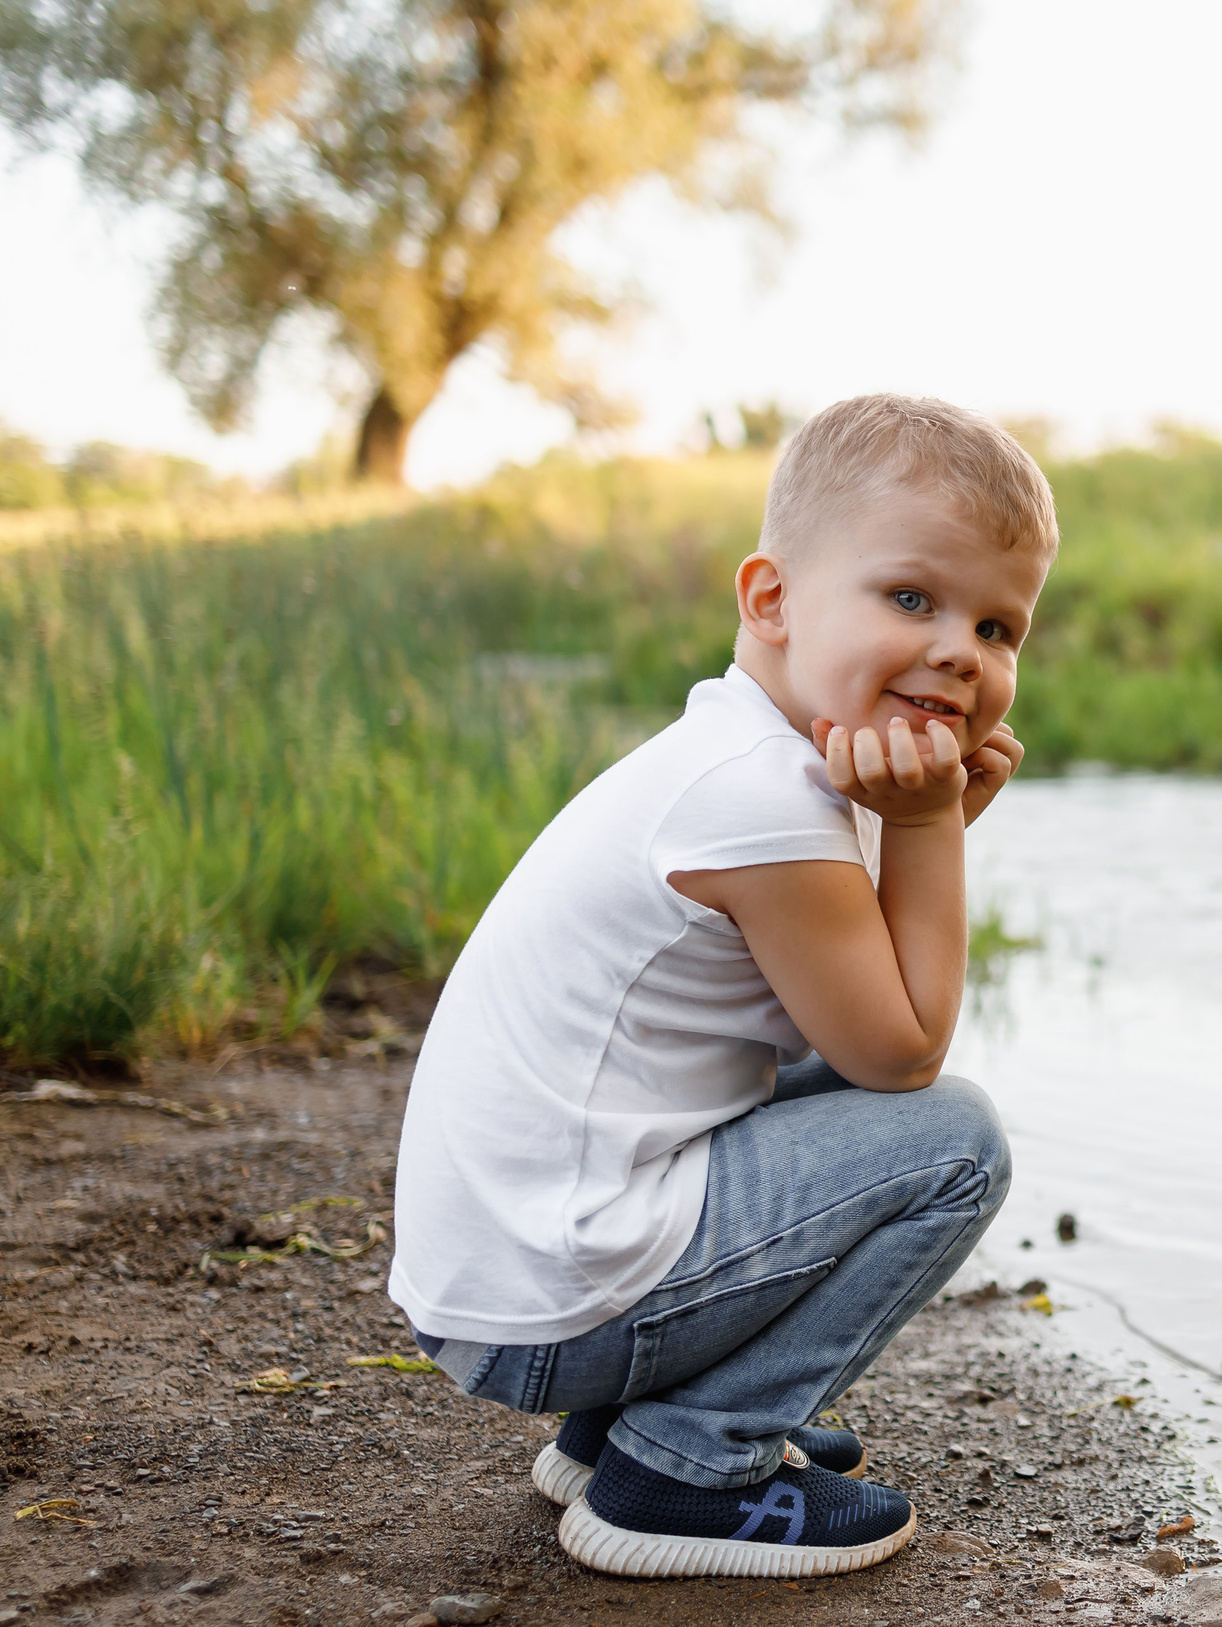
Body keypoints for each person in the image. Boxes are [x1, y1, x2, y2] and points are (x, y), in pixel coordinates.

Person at [386, 394, 1053, 1579]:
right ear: (771, 599)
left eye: (999, 627)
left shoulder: (740, 754)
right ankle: (687, 1466)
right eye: (912, 597)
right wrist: (931, 829)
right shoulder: (760, 799)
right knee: (955, 1141)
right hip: (543, 1307)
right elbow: (901, 1056)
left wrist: (918, 822)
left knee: (798, 1077)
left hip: (512, 1279)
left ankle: (616, 1435)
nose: (962, 649)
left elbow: (840, 1040)